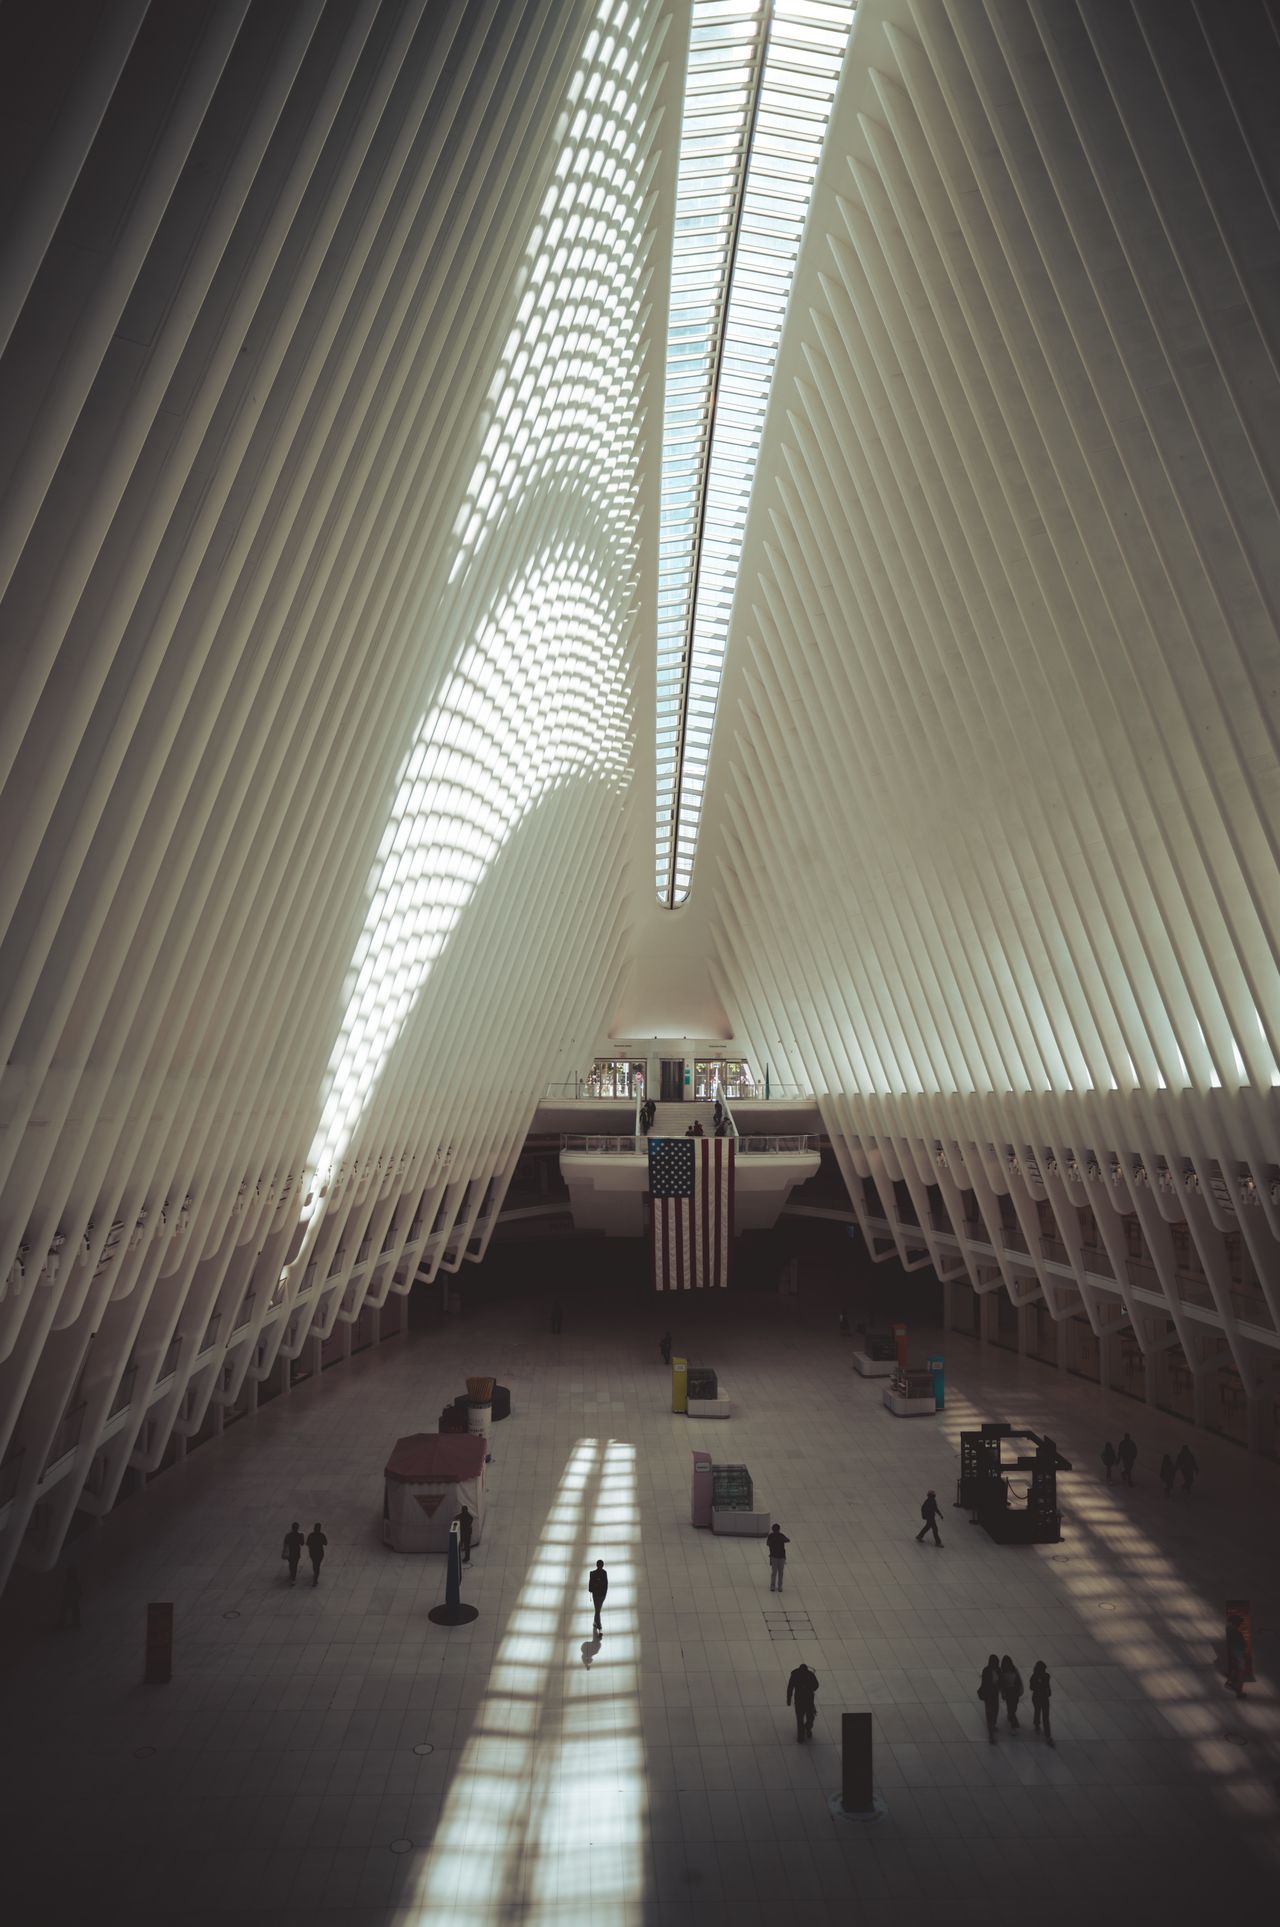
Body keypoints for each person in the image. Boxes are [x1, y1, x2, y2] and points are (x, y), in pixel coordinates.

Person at [786, 1662, 819, 1742]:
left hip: (801, 1700)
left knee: (801, 1718)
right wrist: (810, 1689)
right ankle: (805, 1731)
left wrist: (789, 1699)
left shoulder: (795, 1675)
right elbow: (816, 1685)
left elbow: (790, 1687)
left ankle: (802, 1735)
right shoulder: (809, 1675)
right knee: (809, 1716)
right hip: (807, 1699)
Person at [978, 1655, 1001, 1743]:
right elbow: (985, 1682)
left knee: (995, 1710)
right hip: (988, 1694)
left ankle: (993, 1725)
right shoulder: (986, 1670)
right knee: (990, 1713)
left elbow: (1000, 1680)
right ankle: (991, 1734)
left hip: (995, 1694)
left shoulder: (998, 1670)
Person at [1029, 1661, 1053, 1745]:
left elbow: (1032, 1687)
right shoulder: (1043, 1676)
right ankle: (1047, 1735)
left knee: (1039, 1712)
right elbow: (1032, 1687)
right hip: (1042, 1698)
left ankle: (1037, 1724)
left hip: (1038, 1697)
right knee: (1044, 1716)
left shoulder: (1037, 1676)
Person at [1225, 1612, 1247, 1699]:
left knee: (1235, 1668)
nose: (1240, 1624)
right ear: (1236, 1622)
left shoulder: (1229, 1629)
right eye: (1239, 1622)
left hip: (1234, 1652)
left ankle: (1230, 1683)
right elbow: (1240, 1644)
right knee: (1241, 1672)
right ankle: (1239, 1692)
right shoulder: (1235, 1631)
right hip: (1238, 1653)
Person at [999, 1654, 1023, 1729]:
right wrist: (1003, 1692)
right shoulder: (1002, 1671)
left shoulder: (1014, 1669)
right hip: (1008, 1691)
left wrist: (1021, 1689)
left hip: (1015, 1690)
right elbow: (1001, 1684)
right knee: (1010, 1707)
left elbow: (1018, 1680)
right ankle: (1014, 1723)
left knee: (1014, 1706)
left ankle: (1011, 1716)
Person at [766, 1523, 790, 1592]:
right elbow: (787, 1540)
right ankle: (779, 1586)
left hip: (775, 1556)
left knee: (775, 1572)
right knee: (779, 1572)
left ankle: (773, 1586)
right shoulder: (777, 1536)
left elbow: (768, 1544)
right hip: (780, 1556)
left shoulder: (774, 1536)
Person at [588, 1558, 608, 1633]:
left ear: (596, 1565)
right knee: (597, 1611)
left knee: (597, 1610)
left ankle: (596, 1623)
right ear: (602, 1566)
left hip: (596, 1595)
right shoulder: (604, 1573)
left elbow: (590, 1588)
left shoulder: (592, 1573)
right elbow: (606, 1585)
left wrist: (596, 1586)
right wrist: (604, 1595)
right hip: (602, 1596)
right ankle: (599, 1627)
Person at [306, 1522, 327, 1587]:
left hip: (313, 1552)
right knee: (317, 1565)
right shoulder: (322, 1535)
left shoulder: (311, 1535)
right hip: (320, 1552)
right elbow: (325, 1543)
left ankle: (315, 1575)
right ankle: (315, 1578)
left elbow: (307, 1543)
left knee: (315, 1564)